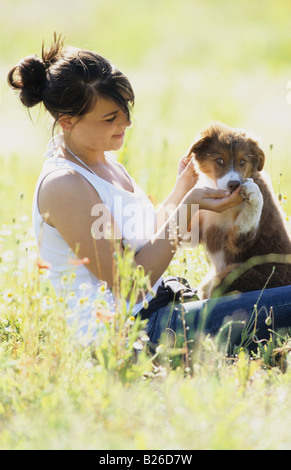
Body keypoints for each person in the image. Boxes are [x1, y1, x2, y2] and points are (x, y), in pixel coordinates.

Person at [8, 35, 291, 350]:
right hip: (130, 336)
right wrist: (186, 209)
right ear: (68, 120)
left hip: (163, 311)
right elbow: (129, 285)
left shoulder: (103, 162)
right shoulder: (64, 185)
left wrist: (182, 188)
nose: (126, 122)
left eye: (126, 110)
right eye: (110, 118)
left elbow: (145, 244)